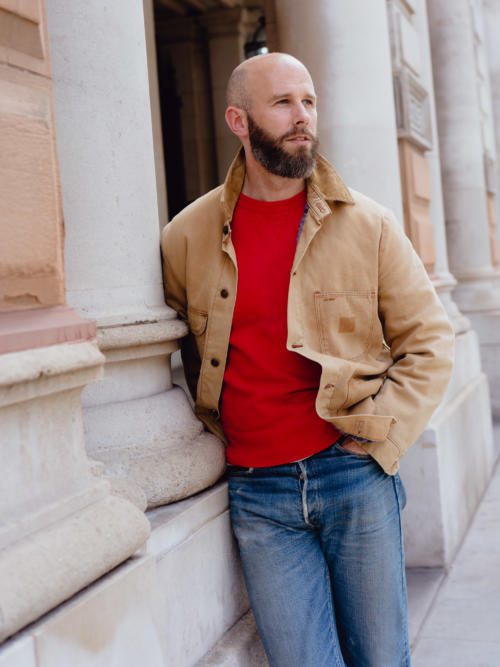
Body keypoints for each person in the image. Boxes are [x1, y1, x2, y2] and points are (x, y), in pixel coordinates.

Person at [161, 52, 454, 667]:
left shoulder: (367, 225)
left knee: (381, 659)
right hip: (258, 492)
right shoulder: (186, 237)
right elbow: (170, 355)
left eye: (310, 101)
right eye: (284, 103)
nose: (303, 118)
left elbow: (428, 341)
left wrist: (376, 443)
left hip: (353, 475)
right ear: (238, 120)